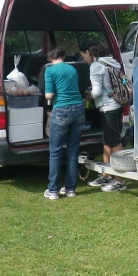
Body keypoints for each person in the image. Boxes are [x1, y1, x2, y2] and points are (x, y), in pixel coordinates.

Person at [81, 41, 127, 192]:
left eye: (83, 55)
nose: (83, 59)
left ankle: (120, 181)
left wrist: (87, 97)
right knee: (107, 140)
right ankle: (106, 175)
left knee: (114, 142)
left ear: (88, 52)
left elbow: (96, 91)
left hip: (108, 107)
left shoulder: (95, 66)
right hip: (117, 104)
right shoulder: (112, 61)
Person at [43, 47, 86, 200]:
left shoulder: (50, 70)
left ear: (50, 59)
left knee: (55, 151)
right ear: (63, 56)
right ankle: (70, 189)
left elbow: (49, 95)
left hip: (61, 109)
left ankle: (53, 190)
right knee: (73, 151)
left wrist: (50, 93)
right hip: (78, 108)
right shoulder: (72, 69)